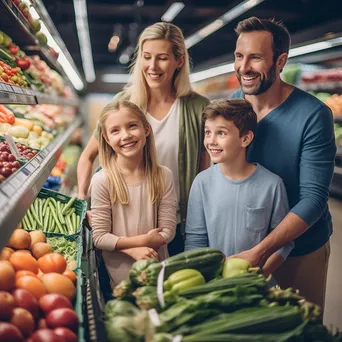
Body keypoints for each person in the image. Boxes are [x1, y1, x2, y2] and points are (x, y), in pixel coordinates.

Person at [229, 17, 336, 309]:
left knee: (300, 328)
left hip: (301, 250)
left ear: (280, 61)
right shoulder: (231, 107)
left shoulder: (313, 115)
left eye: (256, 57)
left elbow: (313, 200)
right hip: (242, 248)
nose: (244, 67)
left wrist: (262, 250)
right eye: (239, 56)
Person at [77, 22, 210, 256]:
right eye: (146, 57)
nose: (152, 66)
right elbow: (88, 156)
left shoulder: (197, 108)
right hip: (122, 224)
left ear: (179, 61)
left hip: (175, 223)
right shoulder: (124, 103)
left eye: (162, 58)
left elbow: (204, 169)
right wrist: (81, 200)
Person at [185, 99, 294, 277]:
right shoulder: (201, 183)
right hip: (213, 283)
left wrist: (260, 276)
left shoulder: (272, 185)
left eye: (221, 133)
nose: (211, 140)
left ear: (245, 138)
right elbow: (195, 240)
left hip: (256, 283)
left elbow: (283, 243)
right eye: (207, 132)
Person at [90, 100, 177, 287]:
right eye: (115, 130)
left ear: (146, 129)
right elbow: (99, 237)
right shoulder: (102, 180)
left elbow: (168, 230)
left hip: (157, 274)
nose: (126, 135)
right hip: (119, 281)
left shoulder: (163, 176)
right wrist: (138, 245)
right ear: (106, 138)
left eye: (132, 126)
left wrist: (144, 243)